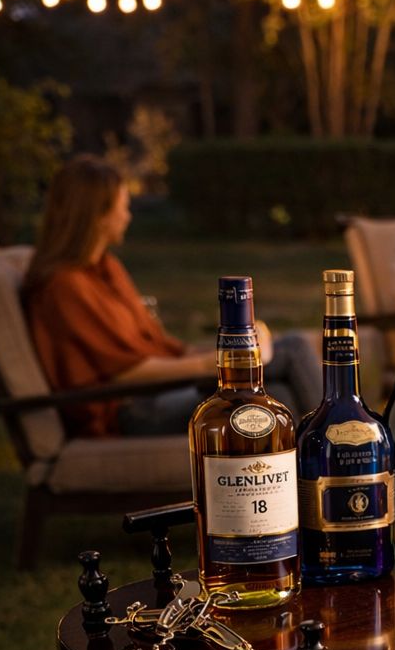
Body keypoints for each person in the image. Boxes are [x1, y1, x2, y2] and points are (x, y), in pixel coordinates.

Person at [23, 154, 321, 439]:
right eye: (122, 207)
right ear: (97, 215)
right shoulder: (65, 287)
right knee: (293, 348)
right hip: (132, 409)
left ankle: (314, 478)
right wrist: (214, 364)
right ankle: (340, 455)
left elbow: (157, 346)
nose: (128, 216)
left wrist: (213, 356)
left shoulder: (105, 269)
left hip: (162, 390)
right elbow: (125, 373)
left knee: (276, 397)